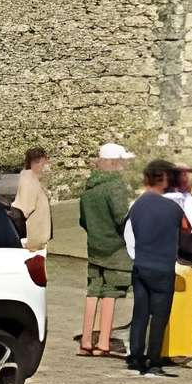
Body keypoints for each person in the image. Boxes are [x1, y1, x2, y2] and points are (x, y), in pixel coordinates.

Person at [122, 160, 186, 377]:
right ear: (165, 179)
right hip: (163, 267)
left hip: (141, 264)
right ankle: (154, 359)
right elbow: (188, 229)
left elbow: (127, 233)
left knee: (140, 312)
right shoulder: (173, 208)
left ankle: (135, 356)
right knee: (159, 316)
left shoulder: (137, 205)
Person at [77, 143, 135, 358]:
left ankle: (86, 341)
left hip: (95, 247)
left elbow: (83, 221)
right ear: (113, 162)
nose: (124, 165)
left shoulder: (89, 189)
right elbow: (122, 218)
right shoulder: (115, 186)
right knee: (110, 292)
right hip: (115, 249)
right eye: (121, 161)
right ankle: (102, 342)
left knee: (93, 291)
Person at [164, 164, 192, 365]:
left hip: (160, 256)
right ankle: (179, 348)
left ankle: (162, 347)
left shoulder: (157, 198)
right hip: (182, 258)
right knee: (181, 306)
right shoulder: (186, 200)